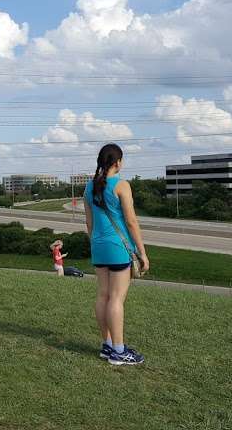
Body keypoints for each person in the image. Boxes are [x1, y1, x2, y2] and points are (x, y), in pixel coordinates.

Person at [84, 143, 149, 366]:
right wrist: (142, 252)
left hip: (98, 246)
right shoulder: (121, 185)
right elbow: (131, 222)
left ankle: (108, 345)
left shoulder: (88, 187)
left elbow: (89, 223)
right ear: (117, 162)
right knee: (116, 298)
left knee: (103, 295)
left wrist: (95, 243)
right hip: (118, 248)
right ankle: (119, 352)